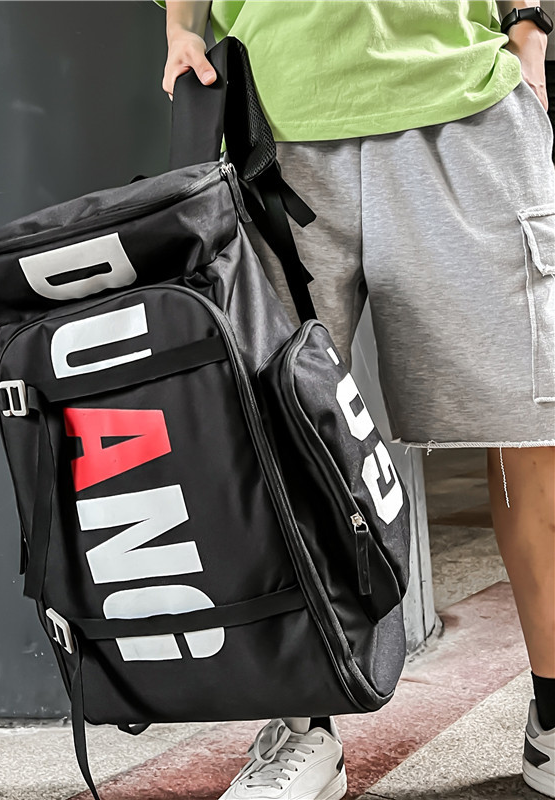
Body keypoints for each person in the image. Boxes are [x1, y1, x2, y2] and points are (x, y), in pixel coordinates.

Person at [161, 2, 555, 799]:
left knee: (533, 429)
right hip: (279, 118)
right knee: (279, 439)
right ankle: (303, 729)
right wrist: (179, 26)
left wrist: (527, 30)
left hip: (464, 104)